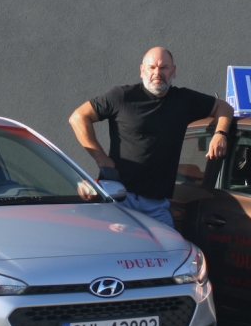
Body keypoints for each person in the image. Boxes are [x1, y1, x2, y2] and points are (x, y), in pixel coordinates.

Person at [69, 47, 233, 227]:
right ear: (142, 70)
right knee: (120, 244)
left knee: (169, 244)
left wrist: (220, 133)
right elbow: (78, 117)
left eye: (164, 67)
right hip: (120, 199)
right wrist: (101, 158)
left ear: (173, 71)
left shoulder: (184, 100)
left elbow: (224, 107)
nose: (157, 73)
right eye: (152, 67)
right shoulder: (122, 96)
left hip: (157, 205)